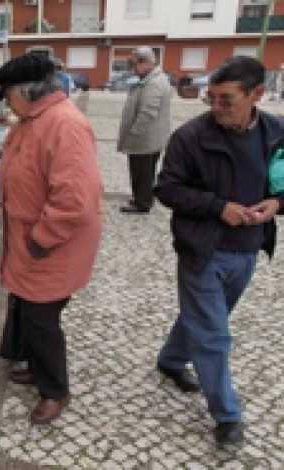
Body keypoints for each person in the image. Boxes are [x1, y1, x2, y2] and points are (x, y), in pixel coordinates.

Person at [154, 55, 284, 446]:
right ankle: (227, 416)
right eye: (211, 98)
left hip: (248, 251)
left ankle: (172, 359)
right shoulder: (191, 137)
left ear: (257, 94)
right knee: (213, 333)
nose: (216, 108)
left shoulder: (277, 134)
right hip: (202, 250)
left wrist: (277, 203)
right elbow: (167, 189)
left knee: (205, 318)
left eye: (226, 100)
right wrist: (217, 207)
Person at [0, 53, 103, 424]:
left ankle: (55, 390)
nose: (6, 103)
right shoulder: (32, 119)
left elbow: (75, 200)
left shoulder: (64, 124)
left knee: (41, 320)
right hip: (31, 240)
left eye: (7, 95)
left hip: (52, 244)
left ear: (27, 92)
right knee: (28, 310)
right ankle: (39, 369)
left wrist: (40, 239)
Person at [117, 46, 172, 214]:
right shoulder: (151, 80)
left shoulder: (154, 83)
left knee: (142, 172)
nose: (131, 67)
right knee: (143, 171)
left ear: (146, 63)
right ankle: (142, 198)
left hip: (145, 140)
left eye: (134, 63)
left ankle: (142, 203)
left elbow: (148, 113)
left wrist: (134, 134)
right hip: (146, 139)